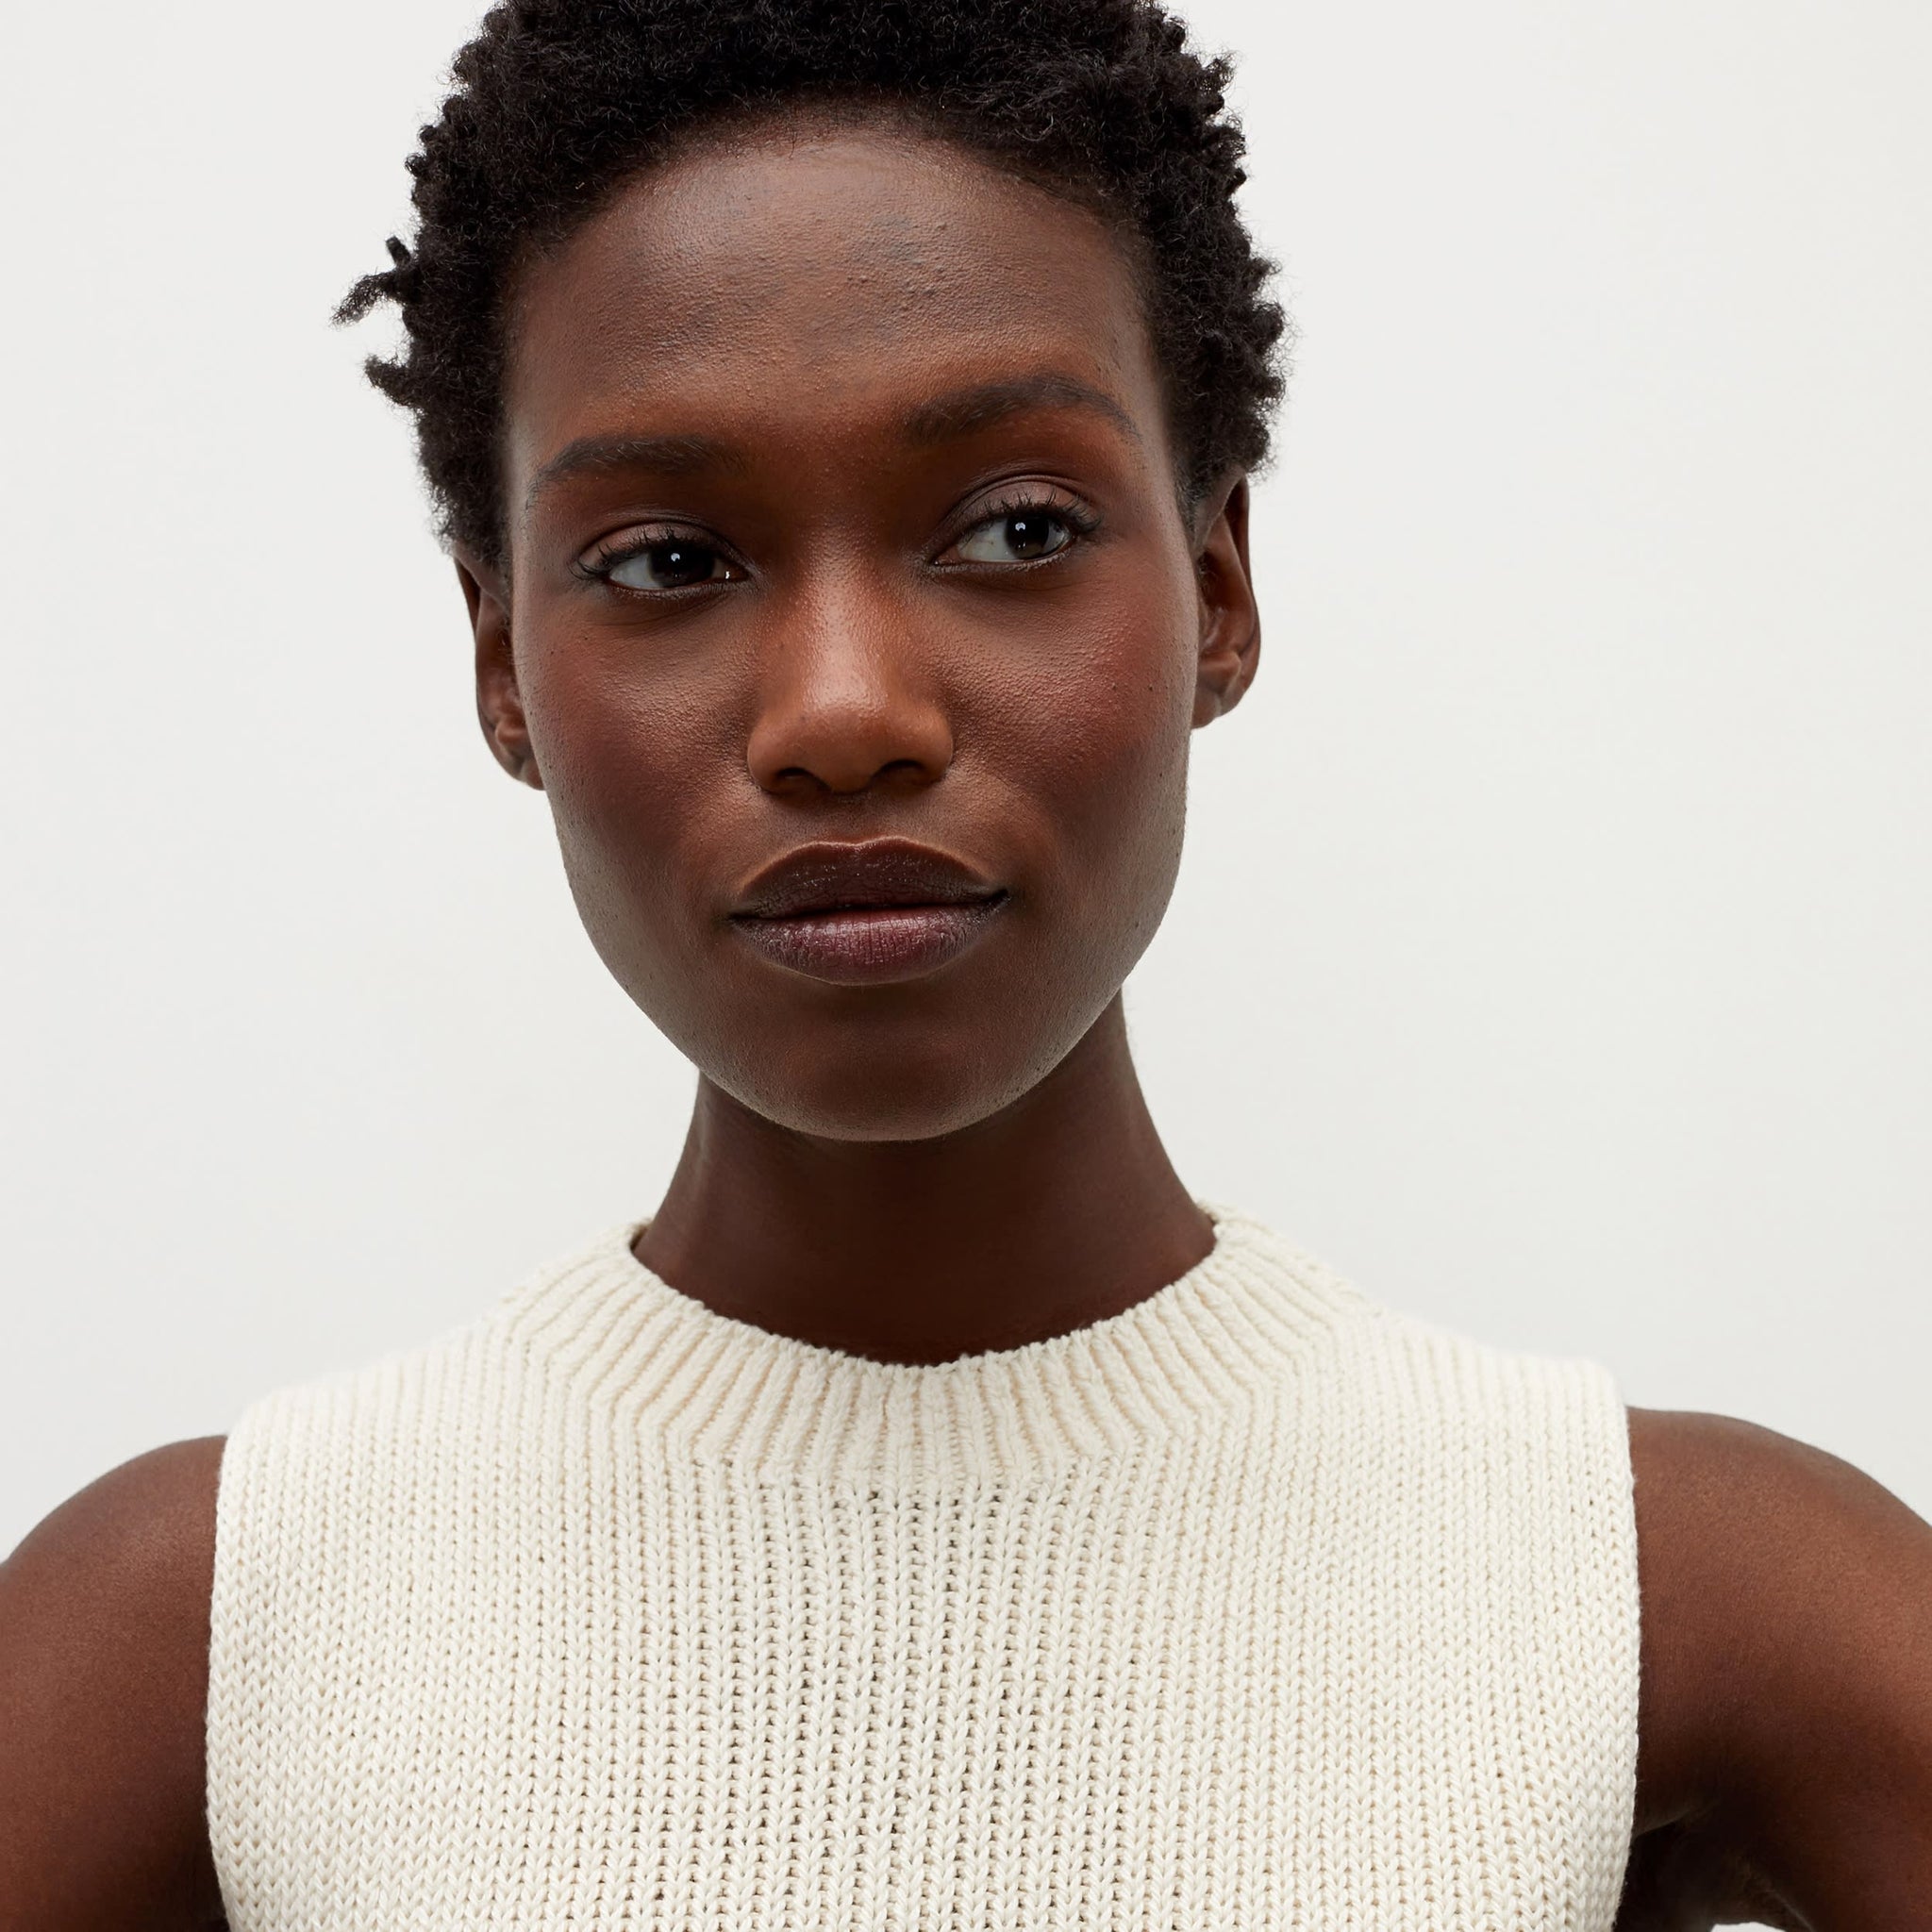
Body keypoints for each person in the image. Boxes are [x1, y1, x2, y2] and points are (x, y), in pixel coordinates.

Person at [3, 0, 1927, 1924]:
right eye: (670, 560)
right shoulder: (203, 1634)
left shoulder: (1662, 1594)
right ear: (503, 662)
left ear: (1219, 592)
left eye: (1014, 527)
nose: (846, 711)